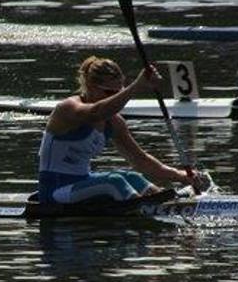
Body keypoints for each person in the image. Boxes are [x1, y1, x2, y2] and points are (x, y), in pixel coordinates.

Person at [37, 56, 203, 205]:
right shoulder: (68, 109)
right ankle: (145, 209)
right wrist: (136, 86)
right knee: (114, 182)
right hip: (55, 191)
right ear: (89, 86)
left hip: (82, 182)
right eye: (109, 92)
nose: (114, 97)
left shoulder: (115, 122)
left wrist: (180, 176)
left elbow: (140, 160)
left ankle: (168, 205)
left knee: (133, 177)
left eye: (118, 92)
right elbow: (96, 112)